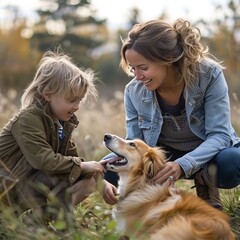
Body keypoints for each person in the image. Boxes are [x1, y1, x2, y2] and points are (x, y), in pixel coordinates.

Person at [102, 18, 240, 209]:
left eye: (143, 68)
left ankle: (205, 183)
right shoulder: (133, 91)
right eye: (133, 69)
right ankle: (149, 202)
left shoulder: (209, 75)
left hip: (209, 153)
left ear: (167, 59)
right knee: (107, 167)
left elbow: (220, 135)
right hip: (164, 155)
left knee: (231, 163)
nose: (138, 77)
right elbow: (135, 142)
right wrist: (99, 173)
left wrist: (183, 165)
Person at [0, 50, 105, 226]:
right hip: (6, 189)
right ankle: (62, 227)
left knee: (87, 180)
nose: (77, 106)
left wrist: (102, 182)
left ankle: (36, 222)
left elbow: (72, 160)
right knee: (61, 176)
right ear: (48, 95)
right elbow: (44, 161)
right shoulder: (28, 120)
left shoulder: (60, 123)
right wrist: (82, 165)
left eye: (80, 101)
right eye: (72, 100)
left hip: (27, 184)